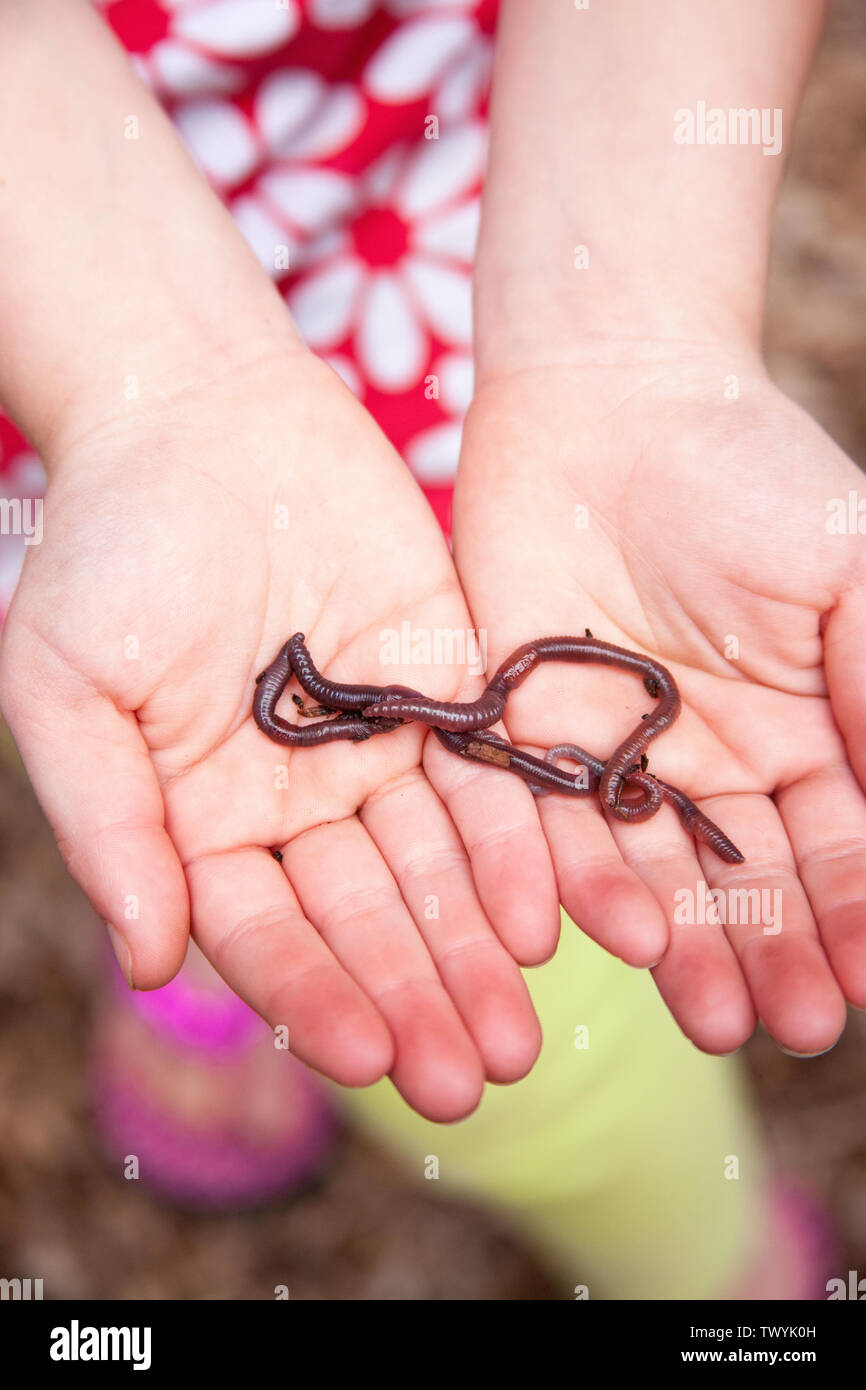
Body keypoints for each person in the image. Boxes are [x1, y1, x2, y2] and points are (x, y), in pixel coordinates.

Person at [0, 0, 859, 1297]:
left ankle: (697, 1255)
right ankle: (213, 877)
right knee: (155, 696)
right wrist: (127, 375)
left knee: (511, 938)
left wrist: (633, 319)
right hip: (61, 351)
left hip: (467, 263)